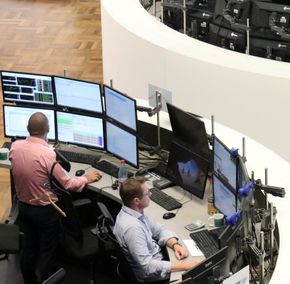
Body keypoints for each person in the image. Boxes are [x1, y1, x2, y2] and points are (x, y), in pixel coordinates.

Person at [9, 111, 102, 284]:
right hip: (45, 211)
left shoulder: (15, 147)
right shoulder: (47, 155)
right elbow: (68, 184)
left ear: (28, 128)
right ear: (48, 129)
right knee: (47, 251)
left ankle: (29, 280)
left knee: (29, 246)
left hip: (23, 207)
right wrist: (86, 178)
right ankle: (48, 281)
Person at [113, 177, 203, 282]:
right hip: (153, 276)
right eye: (147, 193)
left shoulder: (133, 212)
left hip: (158, 260)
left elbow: (159, 230)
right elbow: (148, 267)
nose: (151, 195)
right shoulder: (132, 228)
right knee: (201, 271)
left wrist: (175, 245)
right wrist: (187, 265)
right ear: (136, 201)